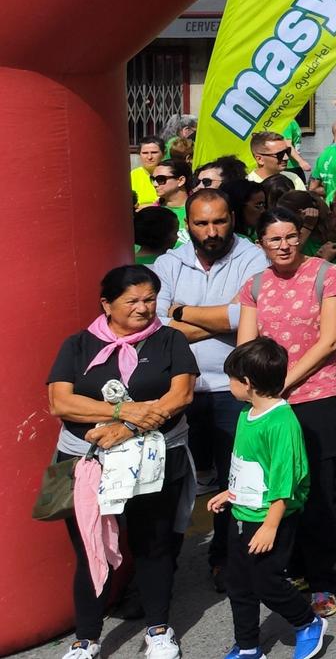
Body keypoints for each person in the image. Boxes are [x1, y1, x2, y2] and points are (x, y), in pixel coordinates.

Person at [48, 265, 197, 659]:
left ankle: (159, 630)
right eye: (132, 300)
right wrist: (122, 412)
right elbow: (60, 402)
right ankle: (86, 639)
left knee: (154, 545)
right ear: (106, 304)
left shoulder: (169, 340)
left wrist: (129, 428)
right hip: (84, 462)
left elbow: (179, 396)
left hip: (157, 457)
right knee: (89, 548)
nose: (143, 308)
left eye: (149, 299)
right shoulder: (77, 345)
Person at [234, 208, 336, 618]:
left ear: (301, 237)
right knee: (273, 490)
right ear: (261, 243)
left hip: (315, 395)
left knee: (314, 491)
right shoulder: (255, 284)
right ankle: (290, 569)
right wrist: (251, 387)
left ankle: (322, 579)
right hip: (268, 403)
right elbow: (246, 344)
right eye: (274, 240)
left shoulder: (326, 274)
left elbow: (330, 341)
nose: (284, 246)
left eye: (290, 237)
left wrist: (281, 384)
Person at [156, 189, 270, 580]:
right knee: (170, 481)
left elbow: (247, 314)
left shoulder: (253, 257)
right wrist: (219, 320)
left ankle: (224, 559)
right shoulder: (168, 263)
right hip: (179, 390)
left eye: (219, 221)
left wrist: (184, 314)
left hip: (231, 389)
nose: (211, 231)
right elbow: (156, 326)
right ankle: (161, 566)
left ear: (232, 219)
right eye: (202, 223)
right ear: (188, 224)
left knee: (231, 479)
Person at [206, 337, 328, 659]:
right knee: (238, 584)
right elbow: (249, 465)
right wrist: (229, 493)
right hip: (242, 514)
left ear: (246, 383)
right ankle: (248, 646)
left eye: (231, 378)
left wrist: (271, 525)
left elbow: (283, 480)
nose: (228, 384)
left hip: (271, 518)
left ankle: (307, 623)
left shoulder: (281, 422)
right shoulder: (247, 414)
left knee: (266, 582)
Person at [130, 137, 165, 206]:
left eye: (154, 152)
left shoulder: (170, 175)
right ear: (139, 154)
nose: (149, 157)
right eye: (145, 153)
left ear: (163, 154)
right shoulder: (132, 175)